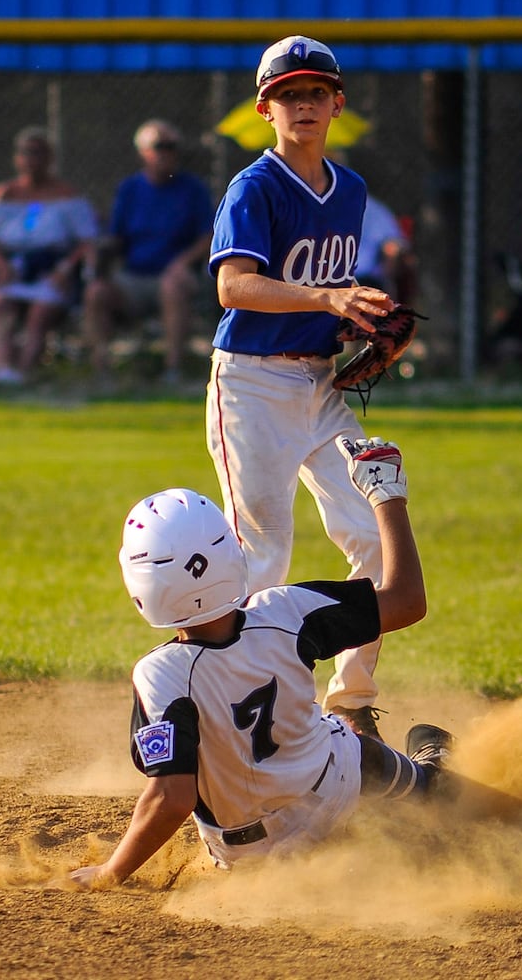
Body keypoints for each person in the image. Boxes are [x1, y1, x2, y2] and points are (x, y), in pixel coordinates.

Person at [69, 438, 452, 888]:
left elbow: (172, 798)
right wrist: (388, 497)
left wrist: (111, 871)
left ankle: (395, 816)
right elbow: (407, 602)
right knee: (361, 750)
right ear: (231, 553)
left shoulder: (160, 676)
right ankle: (434, 783)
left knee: (331, 738)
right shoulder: (285, 611)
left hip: (246, 855)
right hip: (334, 793)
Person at [205, 36, 401, 742]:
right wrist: (327, 300)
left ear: (337, 104)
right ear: (264, 108)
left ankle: (349, 703)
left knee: (377, 534)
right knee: (262, 558)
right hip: (250, 388)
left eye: (315, 92)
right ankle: (250, 714)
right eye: (288, 94)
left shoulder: (349, 190)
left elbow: (321, 298)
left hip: (319, 387)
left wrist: (351, 324)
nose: (303, 104)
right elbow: (233, 285)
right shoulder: (251, 188)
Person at [81, 119, 213, 386]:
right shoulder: (130, 189)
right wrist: (99, 259)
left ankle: (172, 369)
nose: (167, 153)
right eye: (159, 146)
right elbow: (115, 237)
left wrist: (182, 263)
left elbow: (209, 236)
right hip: (133, 278)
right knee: (96, 293)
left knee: (172, 286)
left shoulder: (192, 189)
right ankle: (102, 372)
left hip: (176, 277)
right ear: (143, 152)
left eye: (172, 146)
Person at [0, 127, 99, 385]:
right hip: (14, 271)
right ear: (16, 158)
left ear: (50, 157)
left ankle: (23, 371)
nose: (32, 159)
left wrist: (65, 269)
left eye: (39, 153)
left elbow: (88, 241)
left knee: (40, 312)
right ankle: (4, 369)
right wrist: (2, 266)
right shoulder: (5, 194)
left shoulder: (67, 195)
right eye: (26, 153)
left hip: (51, 273)